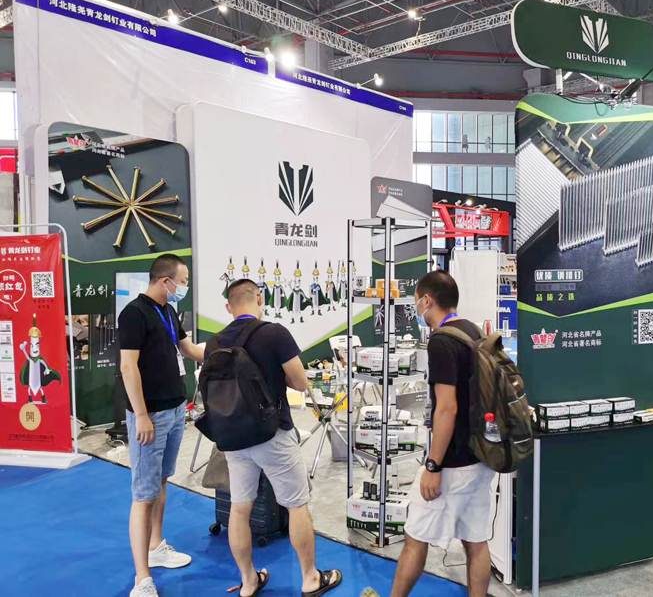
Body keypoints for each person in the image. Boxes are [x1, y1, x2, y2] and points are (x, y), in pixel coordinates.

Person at [362, 270, 496, 597]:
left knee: (415, 538)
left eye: (417, 301)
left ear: (427, 300)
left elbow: (446, 408)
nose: (417, 308)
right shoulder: (473, 331)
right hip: (482, 455)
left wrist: (433, 466)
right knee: (476, 542)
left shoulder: (441, 341)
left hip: (453, 463)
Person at [212, 279, 342, 597]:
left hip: (234, 437)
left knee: (240, 509)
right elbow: (300, 382)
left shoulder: (216, 341)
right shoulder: (274, 333)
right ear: (259, 299)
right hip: (273, 434)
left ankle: (248, 582)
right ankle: (310, 579)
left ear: (228, 307)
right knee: (296, 506)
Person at [119, 254, 206, 597]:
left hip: (174, 409)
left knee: (161, 481)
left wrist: (231, 342)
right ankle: (142, 579)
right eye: (183, 281)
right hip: (150, 415)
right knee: (143, 494)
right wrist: (141, 414)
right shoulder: (134, 314)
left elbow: (190, 350)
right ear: (165, 280)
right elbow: (128, 367)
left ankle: (155, 547)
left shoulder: (168, 311)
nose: (185, 286)